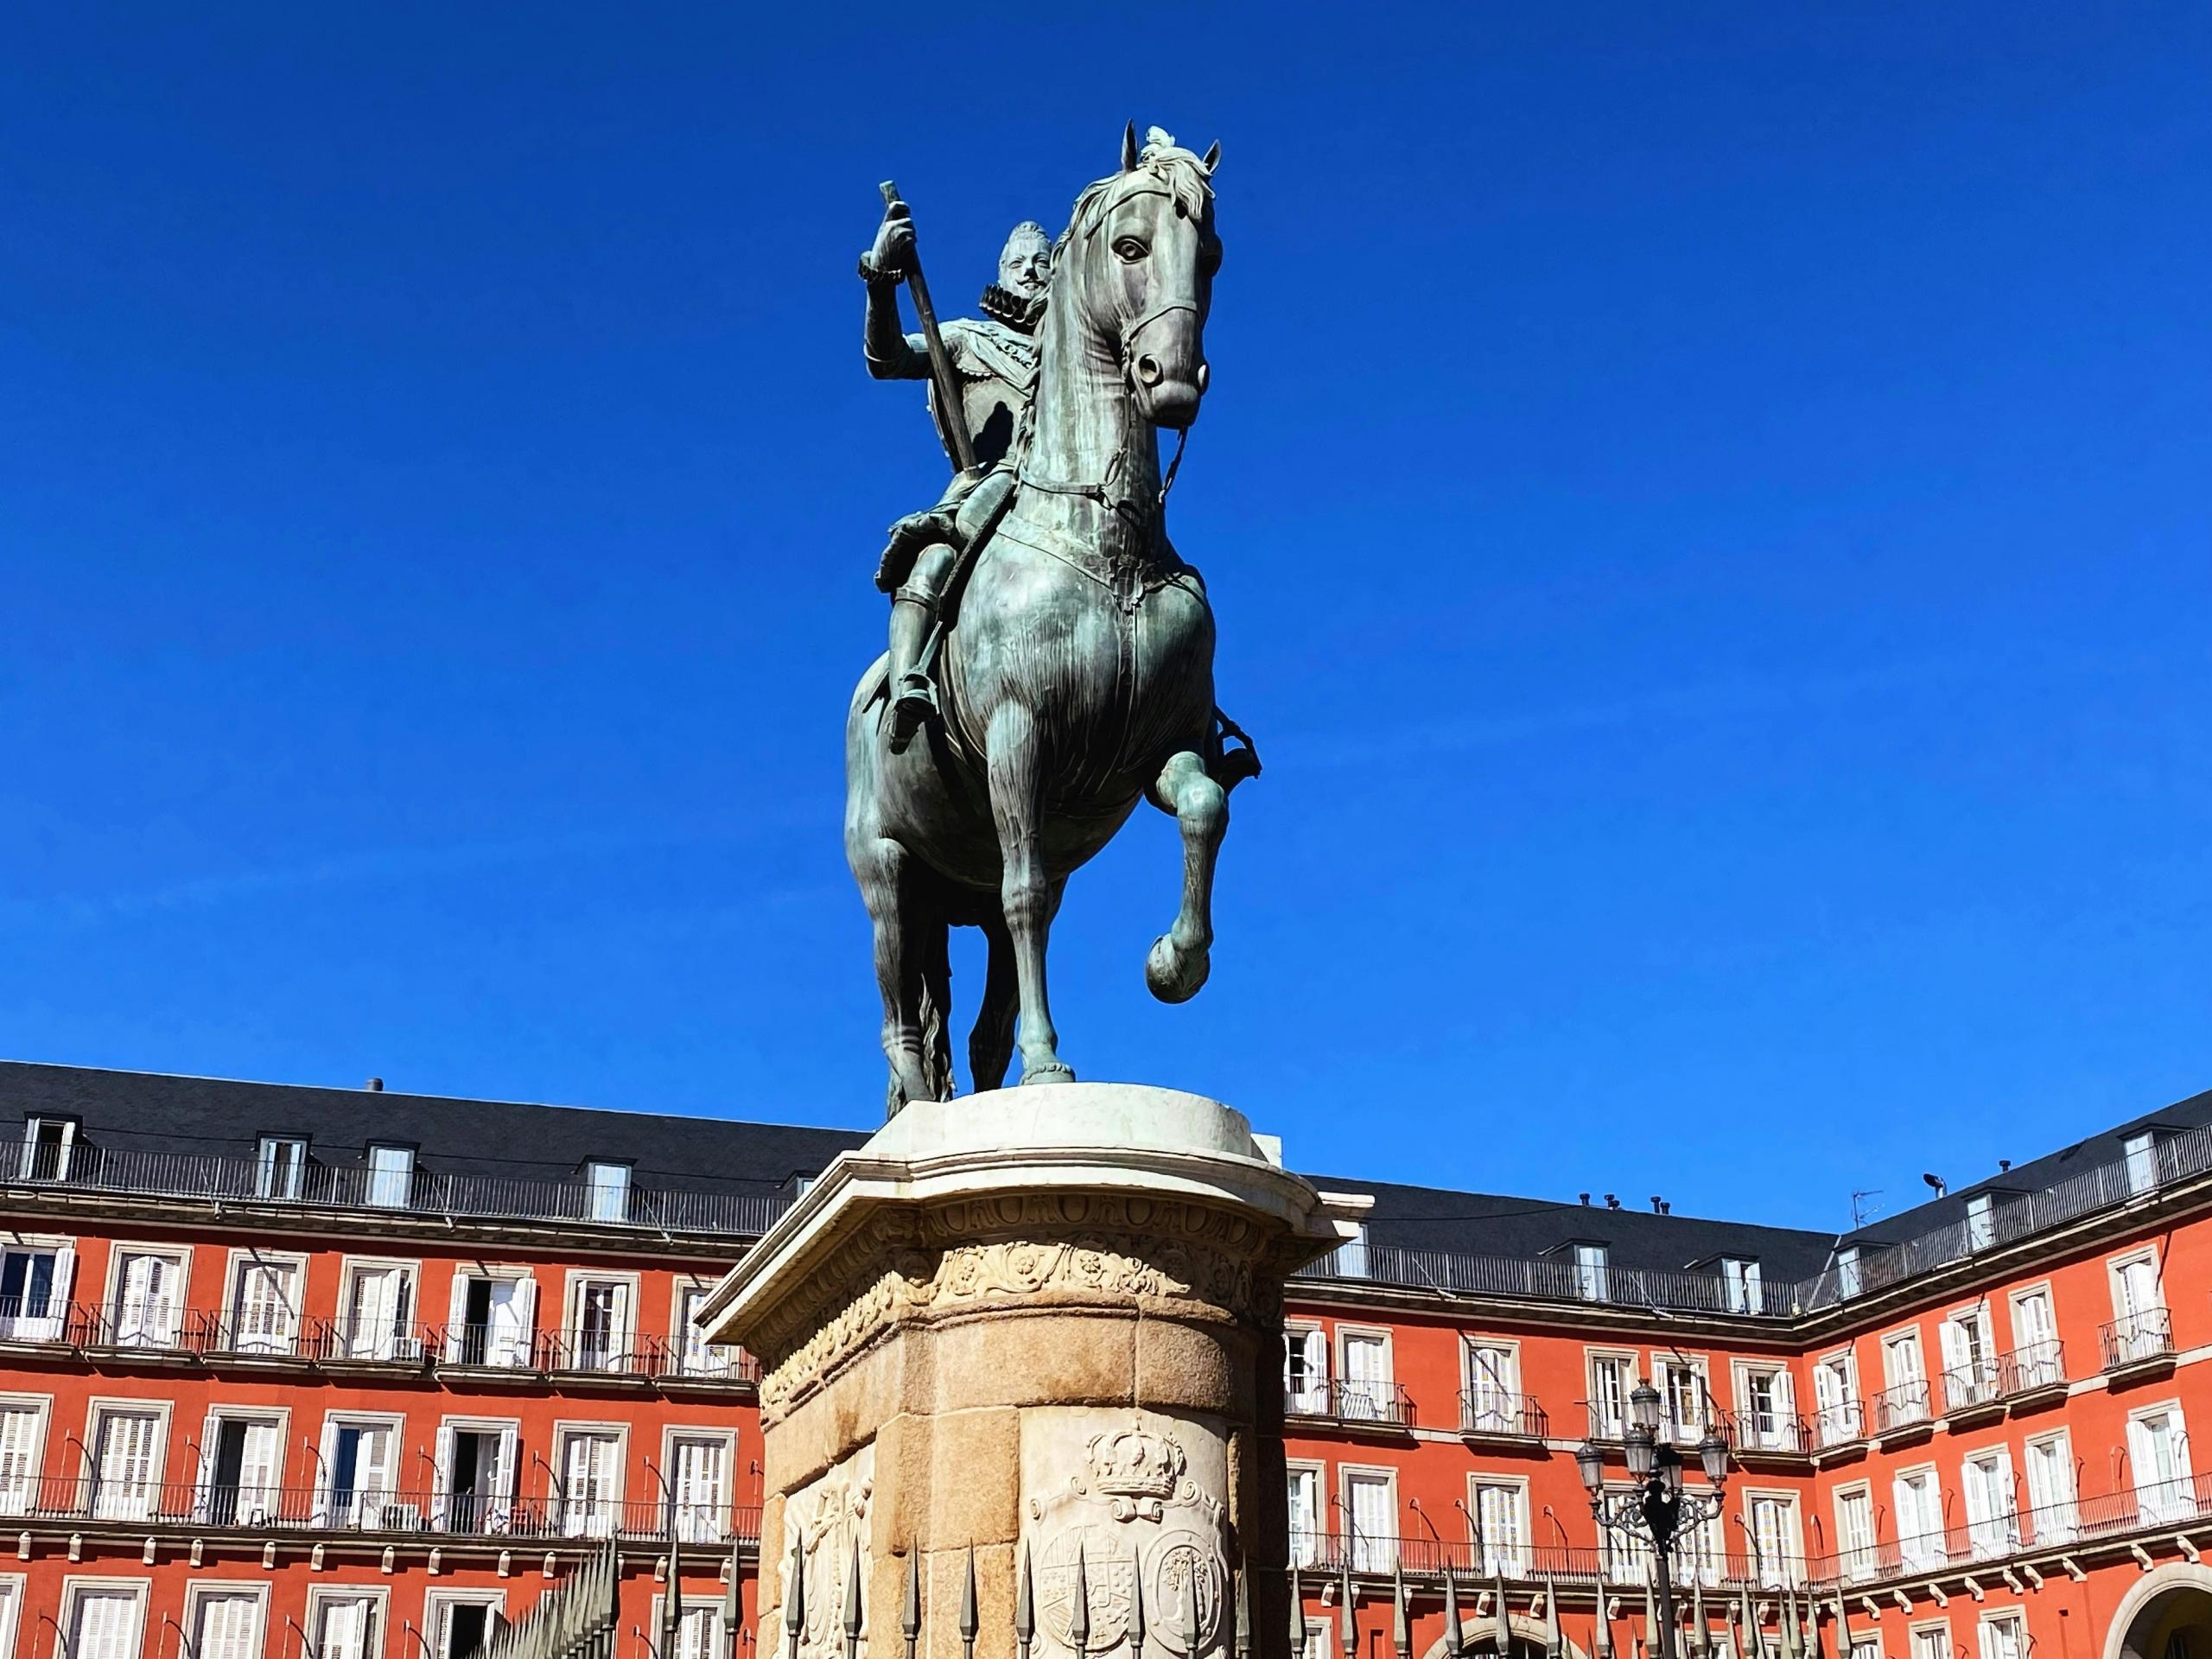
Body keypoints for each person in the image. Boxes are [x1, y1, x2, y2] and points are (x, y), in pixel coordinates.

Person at [860, 205, 1051, 747]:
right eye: (1019, 263)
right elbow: (887, 358)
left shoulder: (1076, 353)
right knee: (936, 558)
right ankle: (909, 683)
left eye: (1042, 262)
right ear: (1002, 271)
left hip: (1071, 491)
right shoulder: (970, 339)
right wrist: (881, 281)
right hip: (989, 486)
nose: (1032, 271)